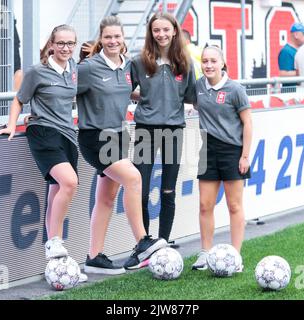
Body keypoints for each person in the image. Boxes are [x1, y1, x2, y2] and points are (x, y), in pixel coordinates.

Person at [76, 16, 167, 275]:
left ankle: (94, 257)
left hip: (118, 135)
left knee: (106, 198)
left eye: (117, 36)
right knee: (134, 178)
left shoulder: (127, 66)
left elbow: (126, 92)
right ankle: (141, 242)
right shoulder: (89, 68)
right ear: (100, 40)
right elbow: (61, 89)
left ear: (123, 38)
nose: (113, 41)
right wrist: (36, 112)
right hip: (95, 137)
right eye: (107, 37)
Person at [0, 25, 85, 275]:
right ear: (51, 44)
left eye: (70, 44)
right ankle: (54, 241)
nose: (66, 48)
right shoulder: (37, 71)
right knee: (70, 183)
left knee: (57, 189)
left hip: (67, 135)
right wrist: (11, 125)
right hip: (43, 132)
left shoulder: (74, 69)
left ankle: (54, 255)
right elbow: (19, 99)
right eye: (61, 43)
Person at [131, 12, 196, 254]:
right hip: (145, 130)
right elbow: (122, 88)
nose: (161, 34)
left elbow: (192, 97)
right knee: (142, 189)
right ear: (151, 33)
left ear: (175, 31)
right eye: (156, 30)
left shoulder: (185, 63)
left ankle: (164, 243)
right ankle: (144, 242)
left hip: (174, 130)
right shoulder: (139, 62)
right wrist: (145, 97)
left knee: (168, 189)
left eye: (165, 30)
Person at [190, 46, 252, 271]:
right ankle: (205, 253)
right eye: (205, 61)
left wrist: (245, 156)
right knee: (205, 205)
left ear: (222, 62)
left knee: (234, 205)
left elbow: (248, 123)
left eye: (213, 61)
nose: (208, 65)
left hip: (232, 151)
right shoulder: (198, 86)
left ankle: (236, 256)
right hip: (208, 150)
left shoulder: (235, 89)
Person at [278, 22, 304, 91]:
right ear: (296, 35)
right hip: (290, 93)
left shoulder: (296, 50)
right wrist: (303, 71)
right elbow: (283, 74)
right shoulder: (286, 51)